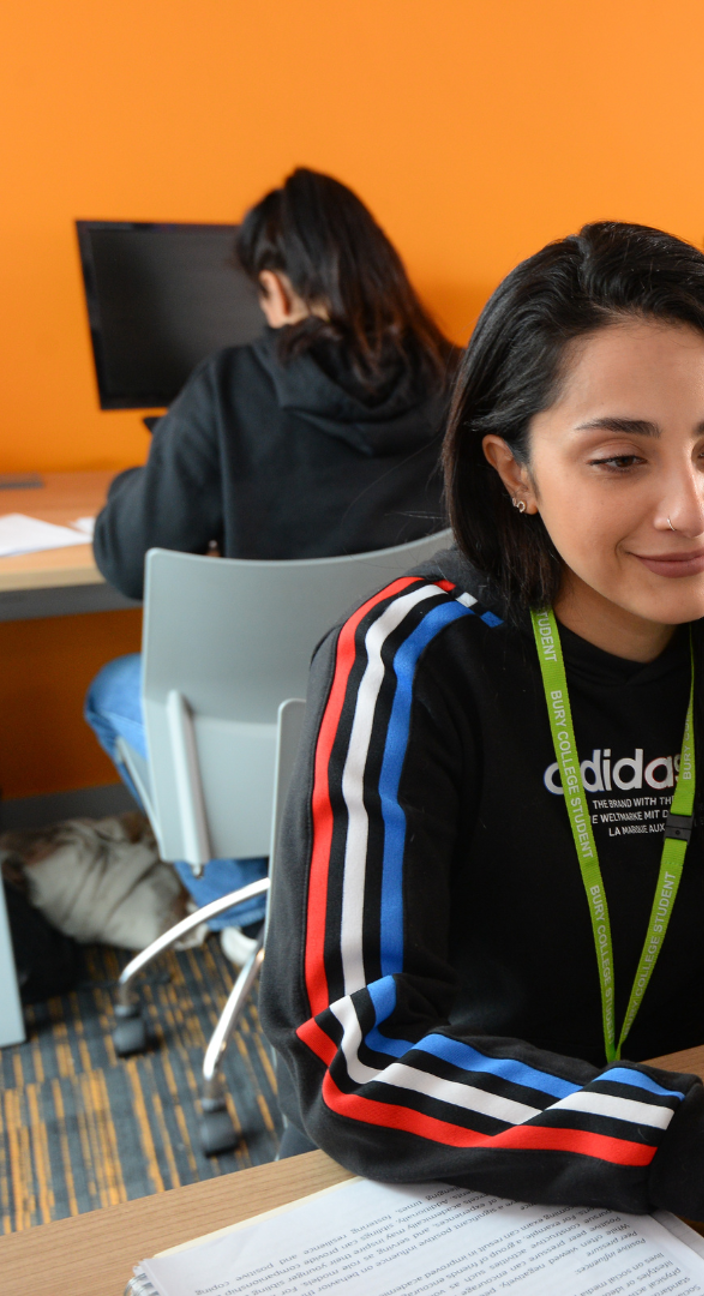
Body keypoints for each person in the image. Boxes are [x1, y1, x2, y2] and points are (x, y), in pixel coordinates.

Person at [259, 221, 704, 1236]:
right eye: (619, 458)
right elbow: (354, 1053)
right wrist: (695, 1148)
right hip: (464, 1172)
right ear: (512, 468)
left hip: (703, 1147)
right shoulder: (413, 653)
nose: (692, 511)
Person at [85, 168, 458, 954]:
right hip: (434, 713)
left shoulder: (225, 389)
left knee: (113, 689)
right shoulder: (467, 379)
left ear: (278, 292)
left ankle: (250, 914)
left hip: (283, 737)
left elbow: (128, 560)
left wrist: (136, 483)